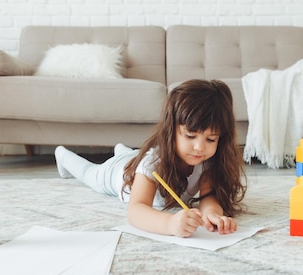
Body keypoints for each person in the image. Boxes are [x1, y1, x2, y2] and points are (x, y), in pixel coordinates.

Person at [54, 79, 247, 238]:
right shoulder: (152, 163)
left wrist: (211, 214)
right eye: (190, 136)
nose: (200, 147)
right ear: (171, 132)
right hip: (115, 174)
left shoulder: (206, 160)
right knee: (89, 173)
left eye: (211, 139)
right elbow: (136, 210)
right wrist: (170, 224)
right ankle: (62, 155)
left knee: (132, 156)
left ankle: (122, 151)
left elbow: (207, 196)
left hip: (136, 159)